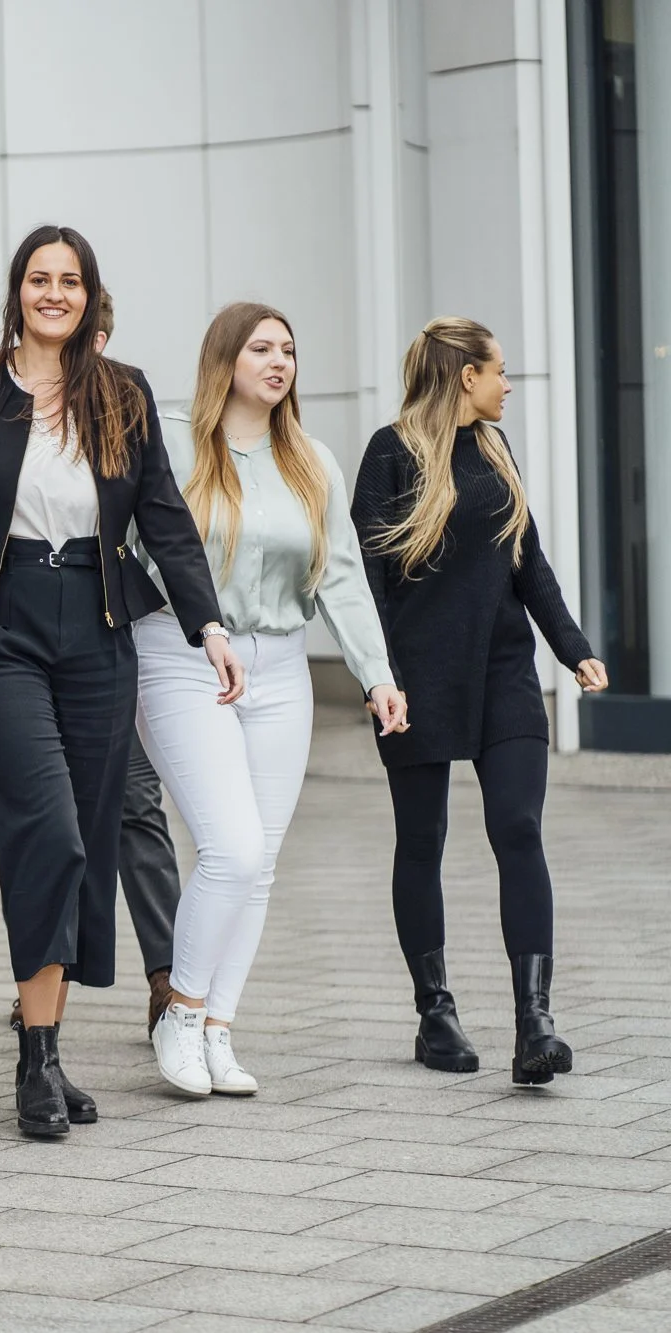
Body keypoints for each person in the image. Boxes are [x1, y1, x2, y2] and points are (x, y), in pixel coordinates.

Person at [0, 224, 242, 1141]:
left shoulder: (122, 391)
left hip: (98, 624)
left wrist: (208, 625)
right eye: (39, 278)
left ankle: (45, 1043)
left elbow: (164, 516)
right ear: (17, 291)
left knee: (86, 839)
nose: (54, 293)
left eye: (71, 280)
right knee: (45, 829)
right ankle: (36, 1056)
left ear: (90, 296)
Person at [137, 303, 408, 1098]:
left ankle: (217, 1028)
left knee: (261, 863)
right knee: (232, 847)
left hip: (282, 667)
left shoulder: (311, 460)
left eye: (288, 348)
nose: (279, 360)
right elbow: (140, 546)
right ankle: (180, 1012)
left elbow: (341, 575)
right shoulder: (170, 441)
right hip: (183, 656)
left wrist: (376, 674)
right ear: (225, 358)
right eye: (261, 347)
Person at [351, 317, 608, 1086]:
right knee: (422, 839)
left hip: (504, 672)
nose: (508, 385)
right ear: (467, 376)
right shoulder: (390, 453)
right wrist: (380, 677)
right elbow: (366, 581)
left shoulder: (494, 450)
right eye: (500, 371)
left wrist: (574, 647)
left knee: (519, 827)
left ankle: (535, 1024)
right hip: (417, 679)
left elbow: (530, 565)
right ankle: (435, 1012)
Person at [6, 289, 184, 1038]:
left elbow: (171, 531)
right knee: (55, 819)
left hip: (134, 650)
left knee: (133, 809)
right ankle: (45, 980)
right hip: (41, 645)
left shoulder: (136, 414)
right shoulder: (17, 417)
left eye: (98, 338)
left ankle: (168, 978)